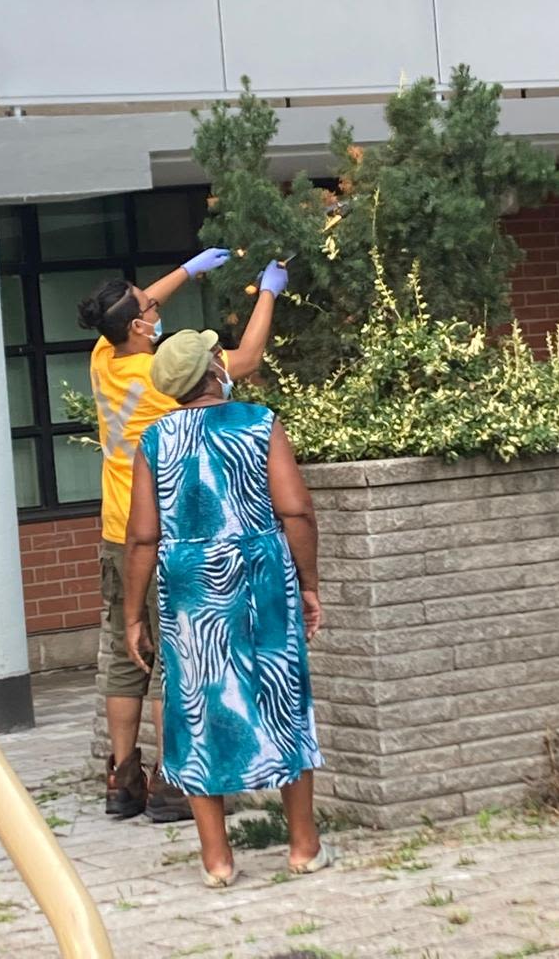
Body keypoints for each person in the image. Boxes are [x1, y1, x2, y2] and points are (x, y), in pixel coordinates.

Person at [77, 249, 289, 822]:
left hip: (116, 530)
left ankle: (122, 781)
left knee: (128, 658)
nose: (156, 302)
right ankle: (174, 782)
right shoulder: (160, 376)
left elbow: (136, 304)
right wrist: (268, 293)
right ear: (142, 328)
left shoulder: (105, 355)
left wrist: (189, 271)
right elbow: (241, 361)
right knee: (173, 655)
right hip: (163, 531)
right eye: (149, 305)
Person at [122, 330, 330, 886]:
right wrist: (308, 583)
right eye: (219, 354)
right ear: (214, 368)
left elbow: (141, 537)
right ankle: (303, 845)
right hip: (260, 574)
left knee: (198, 706)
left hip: (190, 588)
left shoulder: (156, 440)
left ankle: (217, 859)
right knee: (282, 694)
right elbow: (296, 511)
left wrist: (133, 616)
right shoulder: (259, 422)